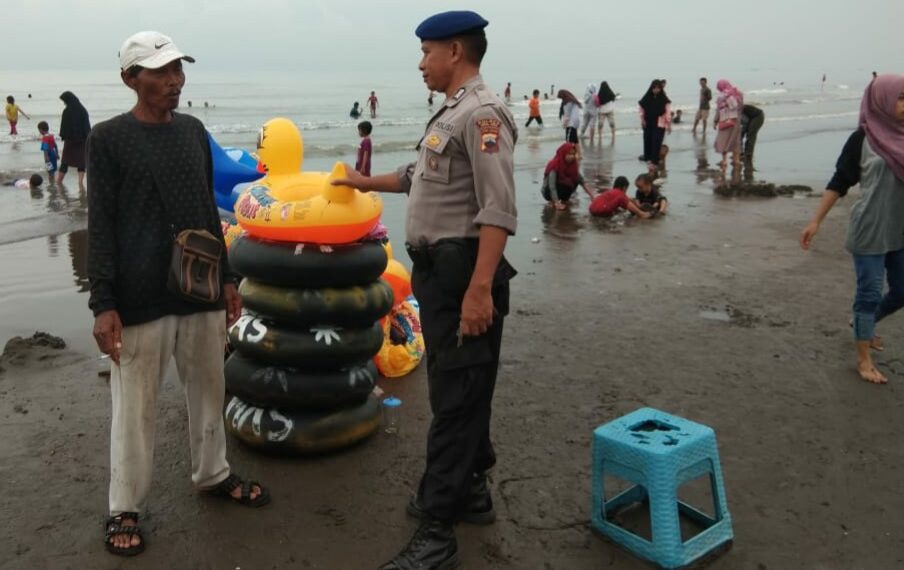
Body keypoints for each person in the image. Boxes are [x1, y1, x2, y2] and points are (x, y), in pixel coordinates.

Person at [331, 11, 517, 569]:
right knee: (463, 385)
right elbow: (420, 173)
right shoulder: (453, 111)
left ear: (454, 50)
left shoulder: (483, 114)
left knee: (456, 398)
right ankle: (473, 489)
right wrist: (367, 183)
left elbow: (498, 210)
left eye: (426, 52)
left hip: (463, 274)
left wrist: (480, 289)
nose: (421, 63)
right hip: (441, 274)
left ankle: (437, 534)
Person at [88, 31, 270, 557]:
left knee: (210, 389)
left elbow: (206, 212)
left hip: (200, 289)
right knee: (135, 407)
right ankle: (124, 506)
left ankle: (213, 474)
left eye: (178, 69)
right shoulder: (108, 139)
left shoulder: (192, 131)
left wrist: (230, 279)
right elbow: (100, 224)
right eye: (161, 72)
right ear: (130, 79)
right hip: (138, 294)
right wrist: (104, 302)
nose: (175, 80)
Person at [800, 74, 904, 384]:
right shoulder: (863, 139)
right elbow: (839, 182)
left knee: (901, 291)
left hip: (900, 231)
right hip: (870, 229)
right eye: (900, 97)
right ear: (881, 100)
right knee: (869, 294)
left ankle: (865, 323)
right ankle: (863, 359)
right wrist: (815, 221)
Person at [542, 142, 594, 210]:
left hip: (560, 188)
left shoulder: (572, 165)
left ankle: (564, 200)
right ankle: (553, 201)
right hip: (548, 191)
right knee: (561, 184)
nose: (572, 156)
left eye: (573, 154)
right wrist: (557, 203)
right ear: (563, 154)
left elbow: (582, 181)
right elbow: (552, 186)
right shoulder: (554, 165)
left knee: (575, 179)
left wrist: (592, 196)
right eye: (569, 154)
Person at [57, 91, 92, 188]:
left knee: (65, 161)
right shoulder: (83, 110)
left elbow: (64, 126)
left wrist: (63, 136)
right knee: (81, 162)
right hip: (83, 140)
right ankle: (80, 183)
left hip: (70, 140)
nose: (64, 103)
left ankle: (59, 181)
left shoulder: (67, 111)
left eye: (64, 101)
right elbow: (87, 126)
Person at [638, 79, 671, 167]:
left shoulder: (664, 99)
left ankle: (654, 161)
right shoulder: (647, 98)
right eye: (654, 88)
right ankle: (648, 158)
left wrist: (668, 125)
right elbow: (641, 109)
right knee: (648, 141)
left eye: (658, 88)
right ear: (651, 88)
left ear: (661, 89)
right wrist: (642, 120)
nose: (656, 90)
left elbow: (668, 112)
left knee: (656, 141)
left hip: (659, 123)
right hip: (648, 123)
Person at [713, 79, 743, 170]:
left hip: (724, 121)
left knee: (723, 140)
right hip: (735, 121)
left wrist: (715, 121)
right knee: (736, 140)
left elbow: (718, 111)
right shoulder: (738, 93)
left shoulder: (721, 97)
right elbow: (741, 107)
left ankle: (724, 160)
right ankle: (736, 159)